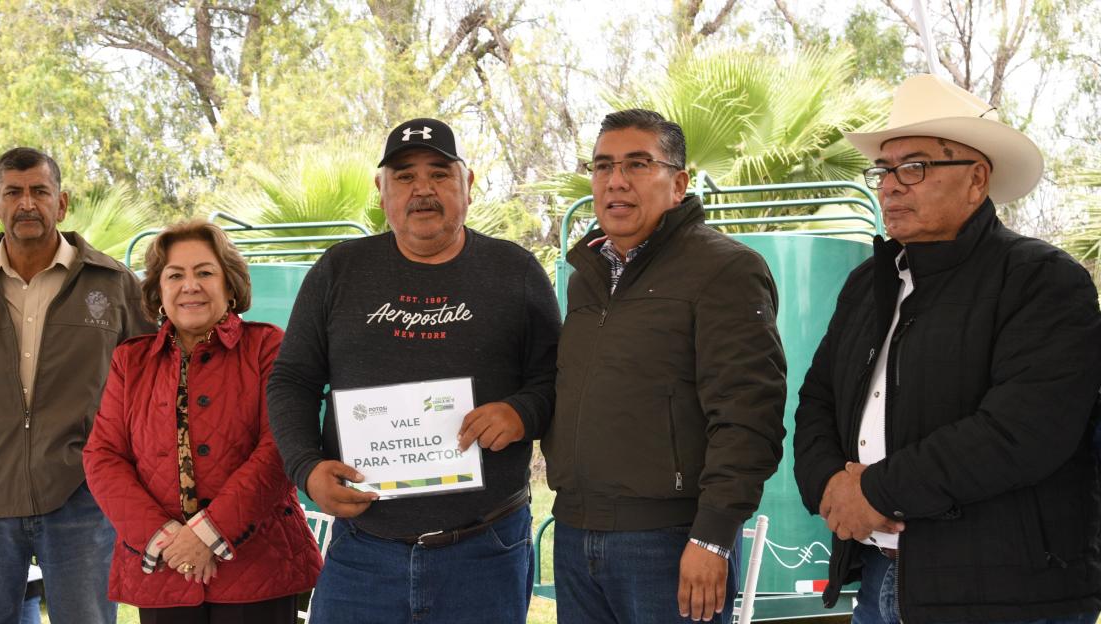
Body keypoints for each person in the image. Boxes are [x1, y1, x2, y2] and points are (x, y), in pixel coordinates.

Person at [793, 73, 1101, 623]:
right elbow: (817, 400)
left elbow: (1024, 430)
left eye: (913, 167)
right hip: (879, 579)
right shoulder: (867, 284)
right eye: (883, 170)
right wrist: (828, 486)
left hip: (1006, 596)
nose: (890, 186)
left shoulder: (1042, 279)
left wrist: (876, 492)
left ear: (976, 179)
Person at [267, 117, 560, 624]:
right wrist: (306, 468)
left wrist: (523, 412)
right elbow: (292, 379)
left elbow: (557, 378)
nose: (423, 189)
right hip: (363, 551)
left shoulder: (516, 271)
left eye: (440, 174)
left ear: (467, 184)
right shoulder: (339, 270)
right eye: (404, 176)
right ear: (381, 191)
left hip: (485, 550)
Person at [543, 108, 787, 624]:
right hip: (575, 535)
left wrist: (713, 536)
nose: (616, 181)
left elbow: (749, 415)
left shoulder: (726, 269)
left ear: (678, 184)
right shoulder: (585, 276)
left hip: (670, 541)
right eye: (603, 166)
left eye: (637, 164)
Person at [0, 147, 155, 623]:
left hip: (85, 497)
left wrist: (136, 495)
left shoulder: (115, 284)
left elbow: (151, 398)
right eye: (13, 193)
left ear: (61, 204)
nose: (27, 204)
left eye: (40, 192)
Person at [84, 220, 322, 624]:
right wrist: (167, 541)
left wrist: (207, 535)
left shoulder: (267, 346)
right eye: (175, 275)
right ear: (159, 291)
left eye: (205, 272)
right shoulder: (130, 360)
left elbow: (279, 448)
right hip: (164, 570)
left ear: (230, 286)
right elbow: (102, 456)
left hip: (257, 568)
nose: (190, 285)